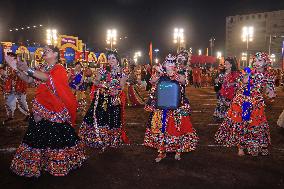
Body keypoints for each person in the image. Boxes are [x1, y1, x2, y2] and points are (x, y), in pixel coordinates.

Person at [8, 46, 86, 177]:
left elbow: (46, 78)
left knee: (57, 136)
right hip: (40, 106)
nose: (44, 51)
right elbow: (30, 80)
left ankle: (59, 163)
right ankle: (37, 163)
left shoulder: (59, 69)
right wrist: (17, 69)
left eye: (47, 50)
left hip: (55, 109)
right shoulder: (43, 67)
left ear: (55, 54)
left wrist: (28, 69)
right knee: (37, 135)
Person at [215, 52, 276, 156]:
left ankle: (257, 145)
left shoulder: (269, 76)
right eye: (255, 60)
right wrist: (244, 80)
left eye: (260, 61)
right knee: (242, 124)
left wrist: (270, 94)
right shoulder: (249, 72)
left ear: (266, 62)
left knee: (257, 124)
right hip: (244, 102)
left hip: (257, 103)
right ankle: (241, 147)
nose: (256, 63)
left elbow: (271, 93)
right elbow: (239, 82)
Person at [144, 54, 198, 162]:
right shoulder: (160, 73)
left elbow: (184, 81)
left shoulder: (180, 72)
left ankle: (178, 150)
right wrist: (159, 73)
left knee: (177, 128)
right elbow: (151, 82)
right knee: (162, 129)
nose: (170, 64)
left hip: (177, 106)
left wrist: (174, 74)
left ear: (175, 64)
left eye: (172, 62)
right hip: (162, 106)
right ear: (164, 63)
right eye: (168, 62)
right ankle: (161, 151)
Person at [79, 50, 129, 149]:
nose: (111, 60)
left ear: (117, 59)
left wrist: (115, 91)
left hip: (114, 98)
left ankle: (111, 139)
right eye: (109, 58)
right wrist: (100, 84)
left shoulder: (123, 71)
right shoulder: (103, 69)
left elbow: (122, 86)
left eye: (113, 58)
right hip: (102, 97)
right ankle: (98, 139)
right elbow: (96, 81)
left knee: (113, 118)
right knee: (99, 116)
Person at [1, 53, 29, 124]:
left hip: (19, 86)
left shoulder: (19, 64)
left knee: (22, 102)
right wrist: (3, 75)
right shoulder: (7, 66)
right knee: (9, 102)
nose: (7, 58)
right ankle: (10, 116)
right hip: (9, 87)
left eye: (10, 57)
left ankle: (28, 115)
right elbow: (5, 77)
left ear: (14, 57)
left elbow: (24, 74)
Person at [213, 57, 240, 121]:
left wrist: (232, 84)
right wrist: (216, 83)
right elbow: (217, 85)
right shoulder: (221, 74)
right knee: (221, 111)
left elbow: (239, 84)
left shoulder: (235, 74)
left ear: (231, 65)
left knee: (230, 113)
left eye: (227, 64)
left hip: (231, 95)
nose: (225, 65)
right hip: (222, 94)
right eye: (224, 64)